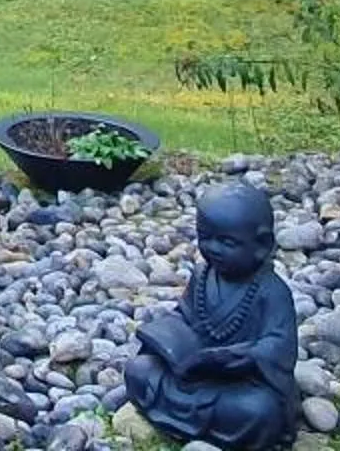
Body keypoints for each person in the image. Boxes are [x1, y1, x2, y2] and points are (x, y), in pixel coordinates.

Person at [121, 183, 300, 451]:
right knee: (139, 370)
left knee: (261, 411)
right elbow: (184, 315)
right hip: (192, 373)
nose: (213, 248)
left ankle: (201, 426)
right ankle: (196, 425)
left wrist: (238, 357)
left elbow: (280, 346)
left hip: (241, 384)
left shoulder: (270, 291)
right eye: (205, 237)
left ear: (263, 244)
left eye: (227, 242)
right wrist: (168, 338)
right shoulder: (203, 277)